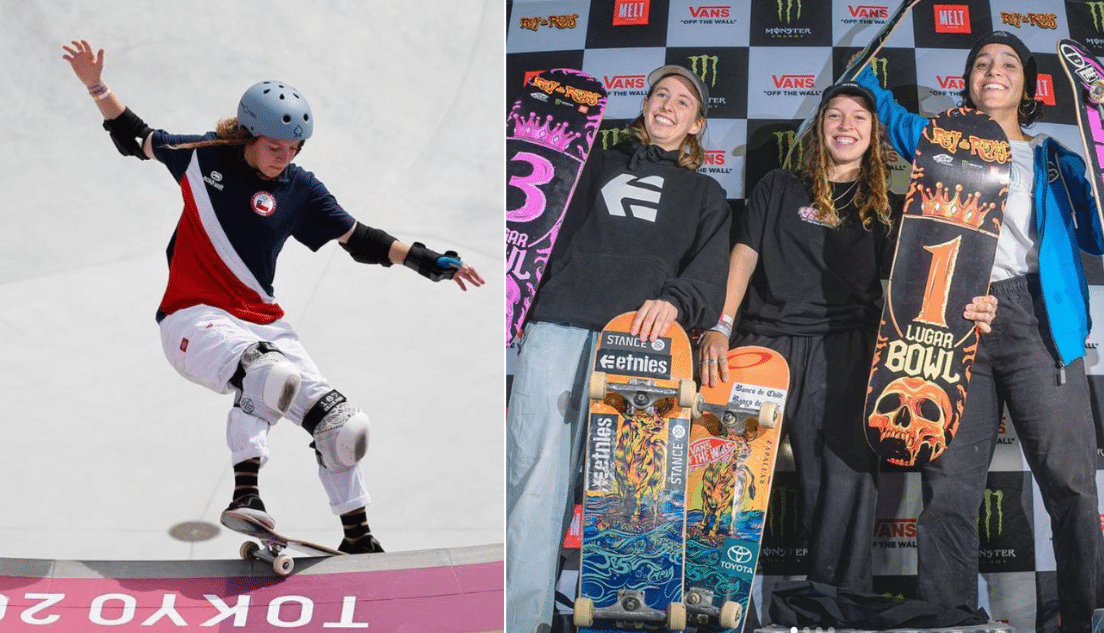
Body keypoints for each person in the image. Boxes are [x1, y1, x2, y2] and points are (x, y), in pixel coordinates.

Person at [62, 39, 484, 554]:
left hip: (262, 321)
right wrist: (96, 86)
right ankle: (247, 494)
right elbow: (136, 138)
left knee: (343, 425)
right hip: (191, 318)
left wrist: (425, 259)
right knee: (269, 373)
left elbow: (360, 239)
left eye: (292, 151)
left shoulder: (300, 188)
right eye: (273, 149)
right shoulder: (202, 158)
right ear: (247, 135)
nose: (282, 160)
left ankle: (358, 538)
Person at [697, 81, 997, 596]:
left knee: (842, 480)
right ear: (820, 128)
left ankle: (838, 601)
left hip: (846, 347)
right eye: (835, 115)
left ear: (873, 134)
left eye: (859, 117)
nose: (845, 125)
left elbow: (927, 276)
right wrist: (721, 326)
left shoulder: (887, 205)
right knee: (724, 471)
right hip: (763, 346)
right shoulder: (777, 186)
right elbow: (744, 256)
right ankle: (711, 597)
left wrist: (975, 304)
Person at [856, 31, 1104, 629]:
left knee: (1071, 487)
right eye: (982, 63)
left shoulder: (1056, 159)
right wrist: (867, 59)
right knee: (949, 492)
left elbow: (1096, 236)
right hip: (954, 320)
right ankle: (951, 619)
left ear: (1028, 84)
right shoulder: (940, 143)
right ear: (968, 80)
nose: (993, 70)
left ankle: (1085, 617)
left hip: (1036, 321)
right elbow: (883, 112)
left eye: (1008, 63)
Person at [506, 65, 732, 633]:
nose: (667, 106)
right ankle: (520, 619)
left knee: (631, 488)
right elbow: (533, 223)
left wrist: (677, 301)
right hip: (559, 323)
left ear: (696, 125)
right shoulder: (592, 164)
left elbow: (710, 274)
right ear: (645, 107)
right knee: (536, 474)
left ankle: (621, 620)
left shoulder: (706, 193)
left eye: (682, 102)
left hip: (639, 343)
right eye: (660, 95)